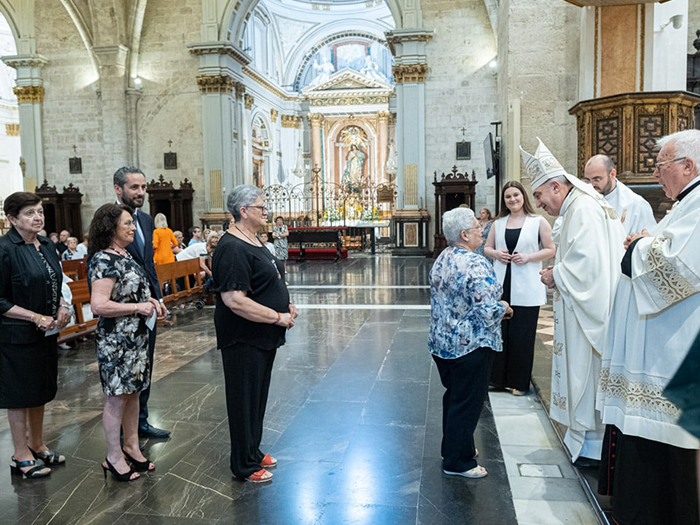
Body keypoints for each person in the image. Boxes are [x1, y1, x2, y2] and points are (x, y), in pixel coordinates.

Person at [596, 129, 700, 525]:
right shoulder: (685, 204)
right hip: (661, 347)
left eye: (661, 166)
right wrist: (645, 241)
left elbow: (677, 266)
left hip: (671, 352)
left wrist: (639, 245)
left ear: (687, 165)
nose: (657, 174)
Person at [522, 137, 625, 464]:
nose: (538, 203)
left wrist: (557, 275)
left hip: (588, 312)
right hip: (584, 306)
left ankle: (591, 444)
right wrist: (561, 270)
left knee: (585, 373)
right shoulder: (584, 203)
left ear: (556, 186)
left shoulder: (582, 207)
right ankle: (585, 441)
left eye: (538, 195)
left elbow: (589, 266)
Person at [212, 185, 298, 483]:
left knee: (257, 397)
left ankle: (252, 450)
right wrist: (277, 316)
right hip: (243, 336)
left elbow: (266, 280)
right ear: (243, 211)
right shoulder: (232, 247)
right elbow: (234, 299)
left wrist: (285, 303)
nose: (267, 211)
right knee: (243, 399)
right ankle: (243, 464)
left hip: (261, 335)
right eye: (261, 207)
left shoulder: (253, 239)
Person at [429, 207, 513, 479]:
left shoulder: (443, 256)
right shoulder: (475, 263)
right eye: (477, 227)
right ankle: (459, 462)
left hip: (443, 343)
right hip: (470, 345)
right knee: (467, 403)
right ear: (465, 234)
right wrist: (504, 307)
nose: (481, 230)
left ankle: (454, 447)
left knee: (455, 397)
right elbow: (487, 311)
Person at [88, 203, 164, 481]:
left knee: (133, 394)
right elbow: (99, 305)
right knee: (116, 399)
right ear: (111, 228)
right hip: (117, 341)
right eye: (127, 224)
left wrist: (152, 302)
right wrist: (138, 309)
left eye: (132, 223)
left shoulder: (125, 256)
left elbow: (130, 293)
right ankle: (113, 455)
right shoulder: (103, 260)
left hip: (137, 338)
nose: (133, 227)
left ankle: (131, 446)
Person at [0, 192, 71, 479]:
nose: (38, 217)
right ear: (12, 218)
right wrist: (33, 316)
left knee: (39, 389)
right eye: (29, 213)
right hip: (15, 335)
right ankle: (20, 454)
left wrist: (62, 305)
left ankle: (38, 444)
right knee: (19, 394)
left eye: (39, 211)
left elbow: (58, 280)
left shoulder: (46, 245)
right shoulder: (5, 249)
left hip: (45, 332)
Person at [113, 166, 169, 439]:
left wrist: (158, 298)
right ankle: (125, 431)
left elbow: (149, 264)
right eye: (134, 187)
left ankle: (141, 422)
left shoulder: (145, 220)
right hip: (123, 310)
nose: (140, 192)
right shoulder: (107, 219)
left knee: (145, 366)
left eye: (143, 187)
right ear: (118, 189)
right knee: (125, 374)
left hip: (147, 308)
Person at [484, 181, 555, 395]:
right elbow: (487, 248)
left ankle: (519, 382)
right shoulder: (498, 223)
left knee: (522, 336)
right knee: (500, 332)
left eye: (516, 195)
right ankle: (497, 379)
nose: (512, 199)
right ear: (503, 201)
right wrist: (497, 254)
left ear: (523, 196)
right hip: (502, 282)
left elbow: (551, 249)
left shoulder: (538, 221)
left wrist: (529, 257)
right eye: (508, 197)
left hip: (527, 284)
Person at [583, 154, 656, 235]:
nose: (591, 185)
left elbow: (647, 241)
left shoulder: (637, 205)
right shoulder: (583, 198)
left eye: (597, 179)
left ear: (612, 174)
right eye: (587, 180)